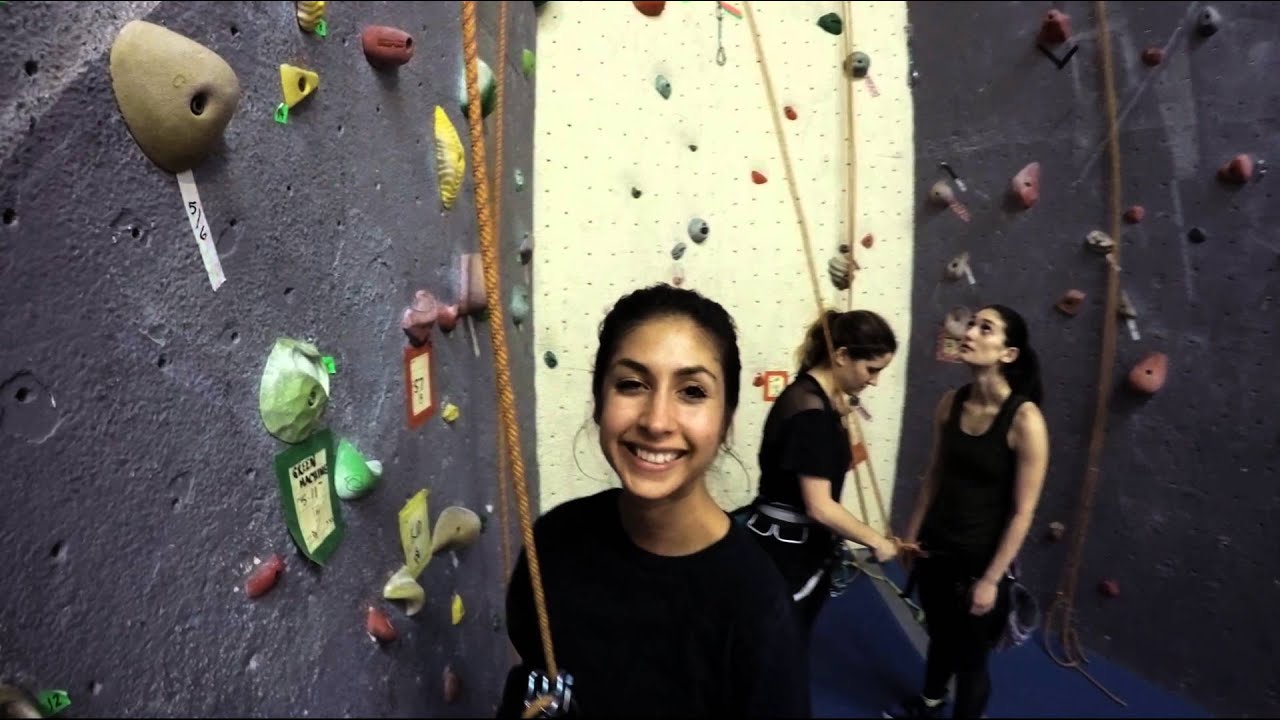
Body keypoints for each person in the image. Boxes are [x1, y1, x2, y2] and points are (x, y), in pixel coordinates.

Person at [497, 284, 811, 718]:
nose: (657, 421)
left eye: (692, 392)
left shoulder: (756, 607)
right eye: (631, 384)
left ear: (726, 421)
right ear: (599, 402)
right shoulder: (554, 541)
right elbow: (535, 671)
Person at [884, 304, 1051, 720]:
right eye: (971, 324)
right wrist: (912, 534)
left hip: (979, 561)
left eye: (985, 328)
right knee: (940, 635)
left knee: (971, 659)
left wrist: (992, 580)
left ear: (1007, 354)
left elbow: (1023, 512)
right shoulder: (949, 403)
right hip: (936, 548)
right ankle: (930, 702)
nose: (970, 332)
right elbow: (934, 475)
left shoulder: (1025, 420)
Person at [734, 308, 908, 630]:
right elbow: (820, 506)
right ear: (841, 355)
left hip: (788, 544)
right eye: (871, 369)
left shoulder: (813, 398)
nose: (874, 380)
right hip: (786, 551)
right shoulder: (811, 414)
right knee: (779, 645)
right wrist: (876, 541)